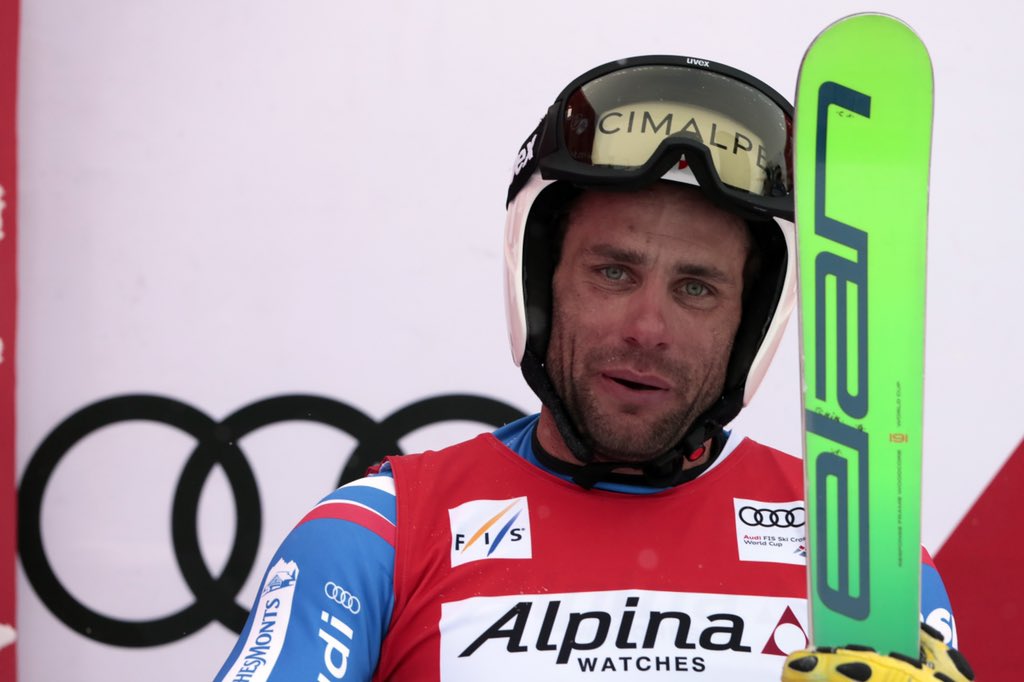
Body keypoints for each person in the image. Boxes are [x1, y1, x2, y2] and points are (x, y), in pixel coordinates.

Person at [214, 55, 972, 681]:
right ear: (542, 285)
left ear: (751, 321)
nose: (649, 329)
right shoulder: (376, 536)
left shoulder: (861, 563)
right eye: (613, 273)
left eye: (697, 288)